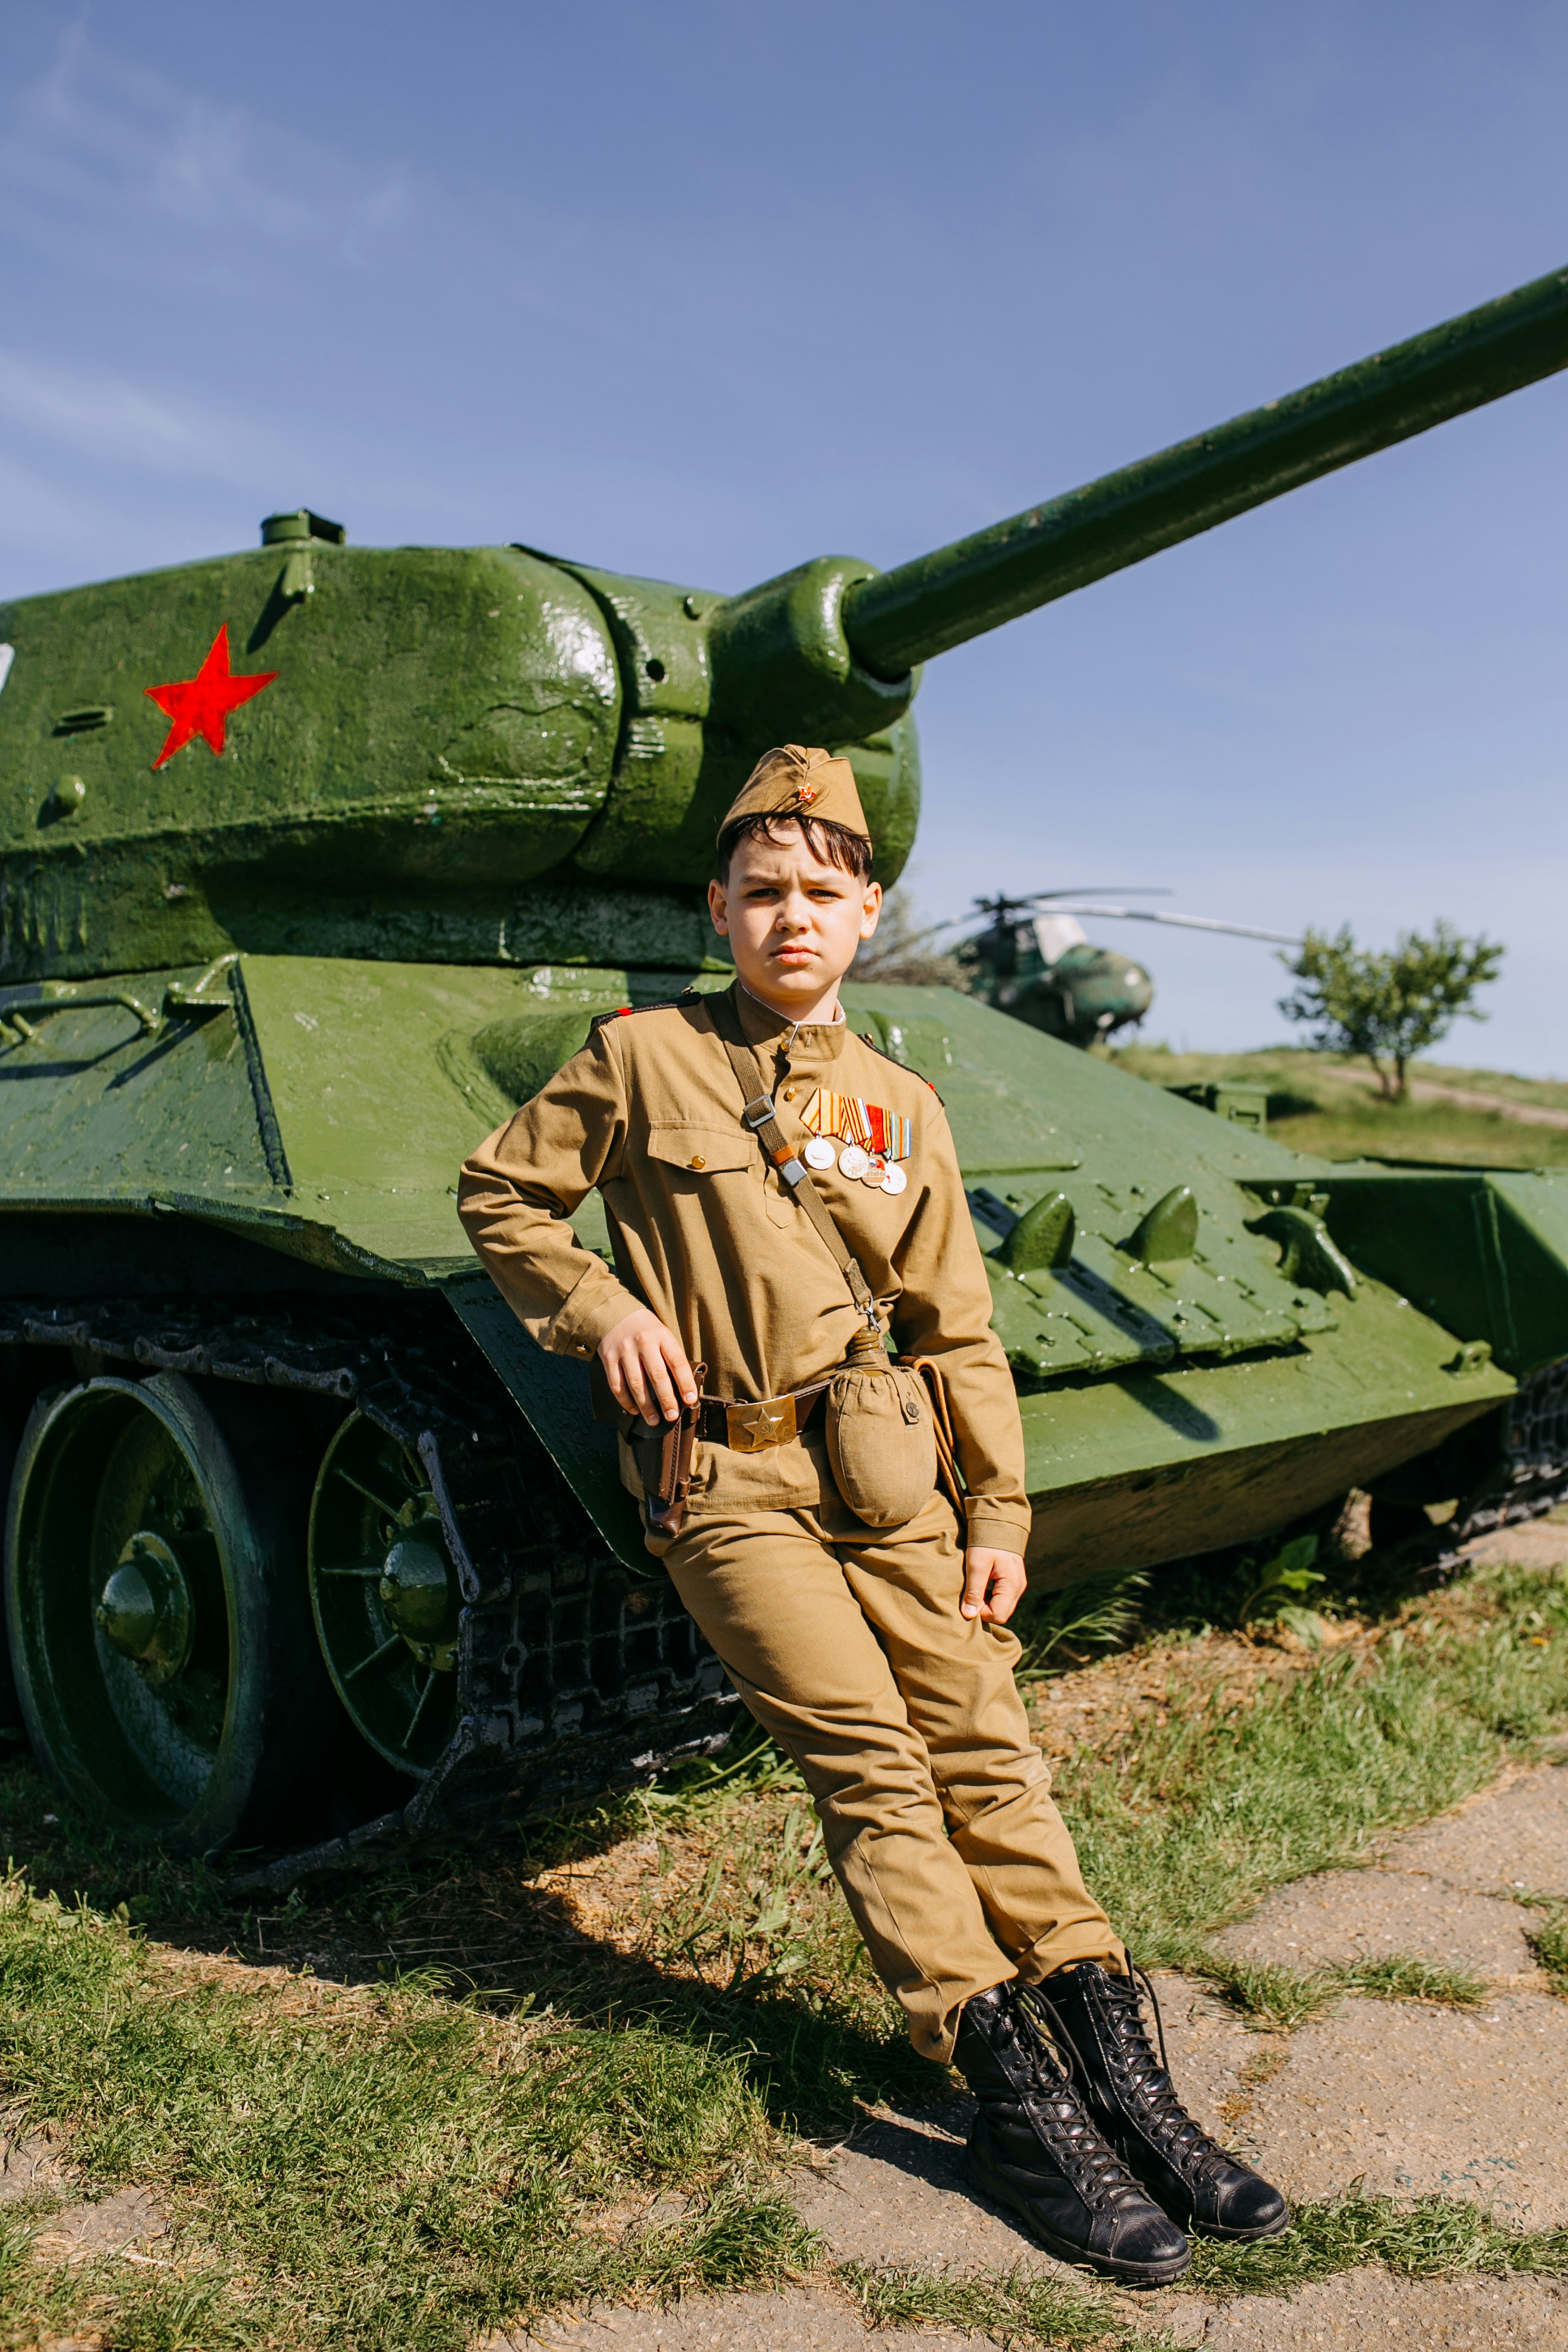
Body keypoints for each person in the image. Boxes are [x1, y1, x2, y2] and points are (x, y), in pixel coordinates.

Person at [457, 744, 1288, 2285]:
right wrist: (596, 1310)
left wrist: (1001, 1511)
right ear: (718, 909)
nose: (790, 919)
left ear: (865, 911)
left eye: (821, 895)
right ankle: (1020, 2109)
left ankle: (1131, 2081)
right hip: (726, 1479)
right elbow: (502, 1197)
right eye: (762, 894)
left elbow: (957, 1323)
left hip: (889, 1470)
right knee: (876, 1766)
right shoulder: (642, 1062)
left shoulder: (903, 1103)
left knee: (989, 1748)